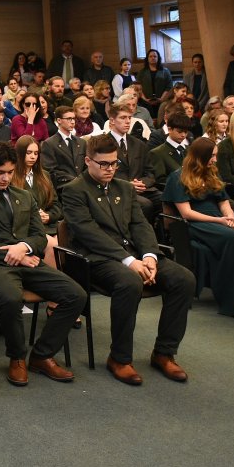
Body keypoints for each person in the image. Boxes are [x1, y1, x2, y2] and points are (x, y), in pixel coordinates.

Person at [61, 134, 196, 385]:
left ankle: (164, 352)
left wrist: (150, 256)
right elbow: (88, 232)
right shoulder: (73, 190)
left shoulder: (124, 187)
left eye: (114, 163)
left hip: (135, 255)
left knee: (184, 279)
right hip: (96, 259)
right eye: (103, 164)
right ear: (88, 161)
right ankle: (120, 358)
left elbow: (140, 225)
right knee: (129, 282)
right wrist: (129, 261)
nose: (110, 169)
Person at [0, 142, 85, 386]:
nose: (6, 178)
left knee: (76, 295)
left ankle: (42, 355)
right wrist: (14, 254)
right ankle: (17, 357)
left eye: (10, 172)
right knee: (10, 298)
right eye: (0, 172)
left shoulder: (24, 196)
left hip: (28, 260)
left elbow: (39, 237)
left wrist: (23, 247)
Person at [163, 138, 234, 318]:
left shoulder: (211, 173)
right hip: (195, 223)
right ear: (200, 156)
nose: (215, 160)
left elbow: (223, 201)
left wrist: (230, 217)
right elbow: (187, 213)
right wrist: (219, 221)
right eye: (212, 156)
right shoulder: (177, 177)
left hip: (219, 218)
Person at [12, 136, 62, 269]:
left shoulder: (44, 175)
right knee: (54, 245)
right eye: (29, 153)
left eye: (36, 153)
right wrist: (35, 217)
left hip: (49, 225)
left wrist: (49, 216)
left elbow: (56, 205)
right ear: (20, 153)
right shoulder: (10, 176)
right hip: (28, 228)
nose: (33, 157)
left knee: (67, 240)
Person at [41, 106, 86, 190]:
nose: (72, 122)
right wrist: (74, 181)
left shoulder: (81, 142)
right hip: (63, 187)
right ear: (59, 120)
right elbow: (50, 170)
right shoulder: (49, 143)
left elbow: (86, 165)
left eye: (73, 118)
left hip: (83, 186)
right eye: (69, 119)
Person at [148, 112, 194, 189]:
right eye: (179, 131)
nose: (183, 135)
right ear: (169, 129)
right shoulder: (157, 153)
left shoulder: (191, 150)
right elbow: (160, 181)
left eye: (186, 132)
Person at [136, 49, 172, 119]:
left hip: (162, 102)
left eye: (155, 56)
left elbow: (169, 86)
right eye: (150, 56)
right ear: (147, 58)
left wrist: (161, 99)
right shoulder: (142, 72)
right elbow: (138, 87)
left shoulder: (165, 71)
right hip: (145, 103)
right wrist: (145, 99)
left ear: (158, 58)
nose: (153, 58)